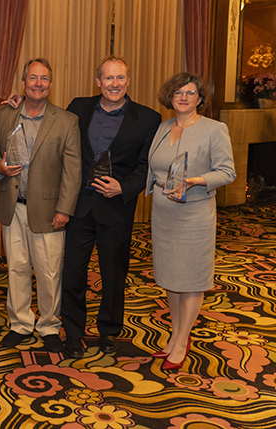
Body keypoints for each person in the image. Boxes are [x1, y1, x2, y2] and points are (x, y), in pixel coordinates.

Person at [60, 56, 162, 358]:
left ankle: (108, 329)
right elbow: (52, 126)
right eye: (108, 78)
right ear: (98, 81)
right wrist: (17, 102)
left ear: (128, 81)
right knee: (72, 274)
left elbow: (146, 166)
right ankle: (74, 333)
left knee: (114, 275)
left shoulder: (147, 118)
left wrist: (125, 187)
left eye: (120, 78)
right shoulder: (77, 107)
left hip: (116, 208)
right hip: (79, 207)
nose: (114, 84)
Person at [0, 58, 81, 352]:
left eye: (44, 79)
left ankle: (50, 325)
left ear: (51, 84)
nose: (38, 84)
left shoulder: (66, 120)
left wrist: (64, 209)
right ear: (23, 82)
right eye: (32, 78)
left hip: (49, 211)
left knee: (50, 271)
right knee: (16, 268)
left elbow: (73, 169)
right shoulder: (5, 115)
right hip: (12, 206)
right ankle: (21, 324)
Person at [146, 72, 235, 370]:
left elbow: (227, 172)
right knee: (171, 277)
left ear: (200, 98)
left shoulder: (214, 129)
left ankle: (182, 339)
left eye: (190, 92)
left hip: (194, 214)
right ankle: (175, 334)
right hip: (163, 214)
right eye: (178, 92)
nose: (183, 97)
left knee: (192, 279)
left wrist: (197, 180)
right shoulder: (162, 128)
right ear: (169, 97)